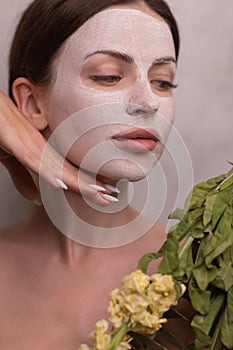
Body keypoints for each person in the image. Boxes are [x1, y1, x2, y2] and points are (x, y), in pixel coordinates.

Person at [0, 0, 194, 348]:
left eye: (163, 82)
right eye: (108, 76)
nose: (149, 102)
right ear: (31, 103)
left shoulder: (196, 276)